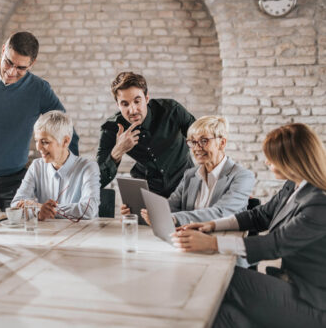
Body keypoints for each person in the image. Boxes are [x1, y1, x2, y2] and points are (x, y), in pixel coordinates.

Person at [172, 123, 326, 327]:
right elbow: (260, 215)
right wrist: (211, 225)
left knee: (223, 279)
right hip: (290, 283)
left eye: (271, 157)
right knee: (223, 315)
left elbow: (274, 245)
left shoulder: (318, 203)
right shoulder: (294, 185)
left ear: (291, 160)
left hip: (312, 302)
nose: (266, 161)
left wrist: (211, 244)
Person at [0, 31, 79, 212]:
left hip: (15, 182)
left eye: (20, 68)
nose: (11, 72)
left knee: (19, 235)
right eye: (9, 62)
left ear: (31, 64)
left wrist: (69, 173)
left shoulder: (39, 89)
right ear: (3, 50)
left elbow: (66, 130)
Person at [122, 116, 255, 226]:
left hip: (222, 246)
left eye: (204, 141)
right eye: (192, 142)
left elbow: (221, 213)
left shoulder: (242, 176)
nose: (197, 148)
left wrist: (173, 219)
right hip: (189, 241)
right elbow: (171, 206)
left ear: (222, 143)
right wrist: (142, 212)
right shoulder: (190, 175)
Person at [97, 71, 196, 198]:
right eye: (125, 104)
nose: (132, 110)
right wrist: (117, 152)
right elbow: (97, 181)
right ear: (118, 105)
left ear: (147, 98)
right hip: (148, 193)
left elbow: (202, 137)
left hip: (185, 185)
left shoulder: (172, 111)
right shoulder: (111, 128)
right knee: (130, 217)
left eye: (137, 101)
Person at [11, 111, 100, 221]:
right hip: (47, 234)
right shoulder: (36, 166)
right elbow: (16, 204)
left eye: (45, 142)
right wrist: (39, 212)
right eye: (36, 141)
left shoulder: (88, 168)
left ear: (65, 141)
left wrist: (43, 209)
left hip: (80, 235)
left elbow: (89, 209)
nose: (38, 148)